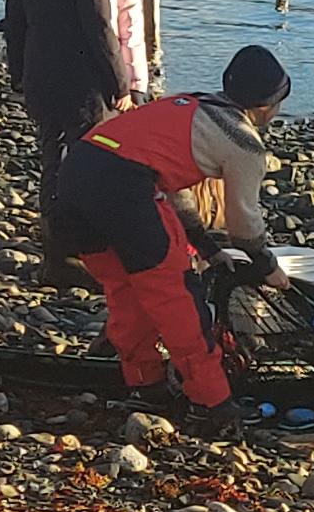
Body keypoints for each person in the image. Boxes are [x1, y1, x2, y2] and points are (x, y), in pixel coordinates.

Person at [45, 46, 292, 432]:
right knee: (177, 297)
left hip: (74, 177)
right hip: (123, 191)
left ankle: (146, 385)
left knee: (126, 291)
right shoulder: (245, 143)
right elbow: (244, 222)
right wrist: (265, 265)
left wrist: (207, 248)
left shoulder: (187, 103)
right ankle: (211, 405)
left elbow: (165, 178)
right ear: (268, 107)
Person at [1, 0, 142, 277]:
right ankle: (87, 255)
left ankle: (55, 254)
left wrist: (18, 72)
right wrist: (121, 83)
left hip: (39, 69)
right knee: (91, 163)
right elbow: (100, 24)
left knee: (53, 156)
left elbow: (16, 17)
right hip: (82, 77)